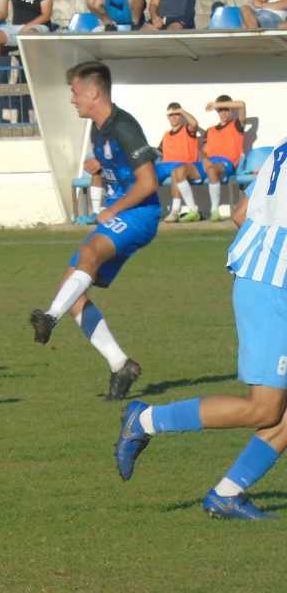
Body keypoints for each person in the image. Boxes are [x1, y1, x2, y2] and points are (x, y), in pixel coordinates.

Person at [114, 138, 287, 520]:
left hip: (265, 279)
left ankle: (228, 494)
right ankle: (144, 420)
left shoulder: (282, 150)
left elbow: (241, 214)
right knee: (265, 408)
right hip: (272, 288)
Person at [29, 61, 158, 401]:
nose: (72, 100)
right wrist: (99, 177)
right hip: (121, 213)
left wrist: (112, 209)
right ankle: (121, 365)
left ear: (93, 92)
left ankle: (49, 318)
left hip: (140, 214)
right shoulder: (99, 129)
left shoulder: (124, 126)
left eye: (74, 91)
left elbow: (148, 183)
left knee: (87, 256)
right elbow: (112, 172)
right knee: (73, 293)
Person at [154, 102, 201, 223]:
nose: (174, 117)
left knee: (176, 172)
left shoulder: (187, 129)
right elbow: (158, 152)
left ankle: (175, 211)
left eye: (177, 114)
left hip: (184, 164)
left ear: (181, 116)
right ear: (167, 117)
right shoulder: (166, 135)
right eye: (171, 115)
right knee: (147, 176)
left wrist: (182, 111)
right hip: (165, 165)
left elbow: (194, 124)